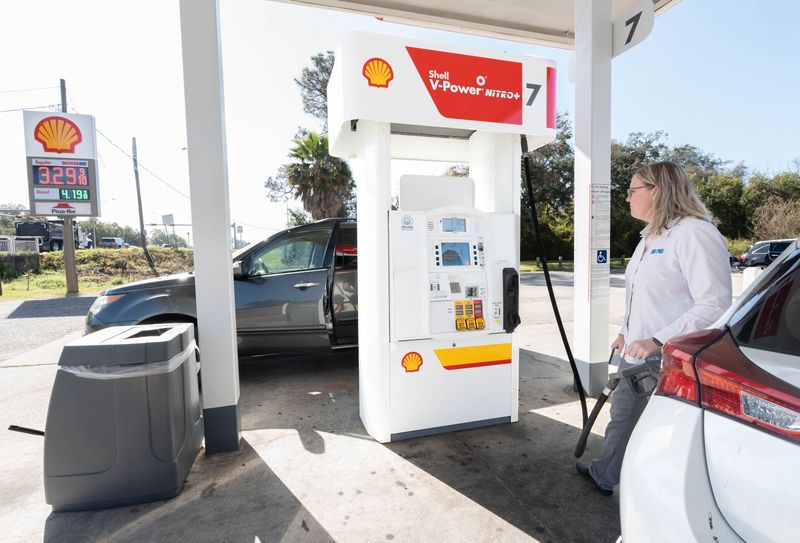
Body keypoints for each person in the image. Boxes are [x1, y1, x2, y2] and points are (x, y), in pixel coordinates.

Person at [576, 161, 732, 496]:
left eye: (632, 191)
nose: (628, 199)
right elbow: (641, 297)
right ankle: (606, 472)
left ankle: (648, 491)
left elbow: (714, 302)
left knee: (655, 427)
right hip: (636, 350)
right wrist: (625, 330)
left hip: (663, 358)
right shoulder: (651, 236)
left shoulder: (694, 233)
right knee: (622, 417)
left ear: (656, 191)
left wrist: (657, 340)